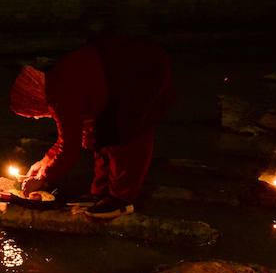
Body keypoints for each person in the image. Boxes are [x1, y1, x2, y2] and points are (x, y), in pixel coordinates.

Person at [9, 35, 174, 219]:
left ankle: (120, 201)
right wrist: (44, 163)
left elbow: (69, 148)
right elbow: (76, 135)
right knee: (100, 133)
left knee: (125, 136)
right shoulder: (55, 82)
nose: (37, 118)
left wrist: (44, 178)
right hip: (114, 78)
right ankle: (100, 193)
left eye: (31, 114)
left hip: (140, 72)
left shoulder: (59, 94)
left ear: (32, 101)